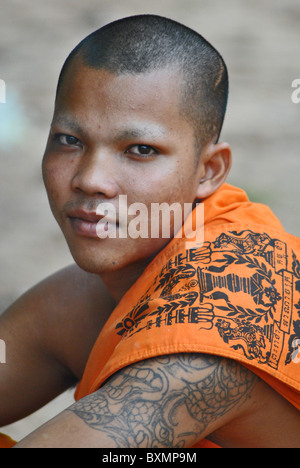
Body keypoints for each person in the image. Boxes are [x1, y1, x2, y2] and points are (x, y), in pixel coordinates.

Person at [0, 14, 299, 449]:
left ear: (208, 171)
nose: (90, 179)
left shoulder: (205, 332)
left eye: (140, 150)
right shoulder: (84, 301)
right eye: (69, 140)